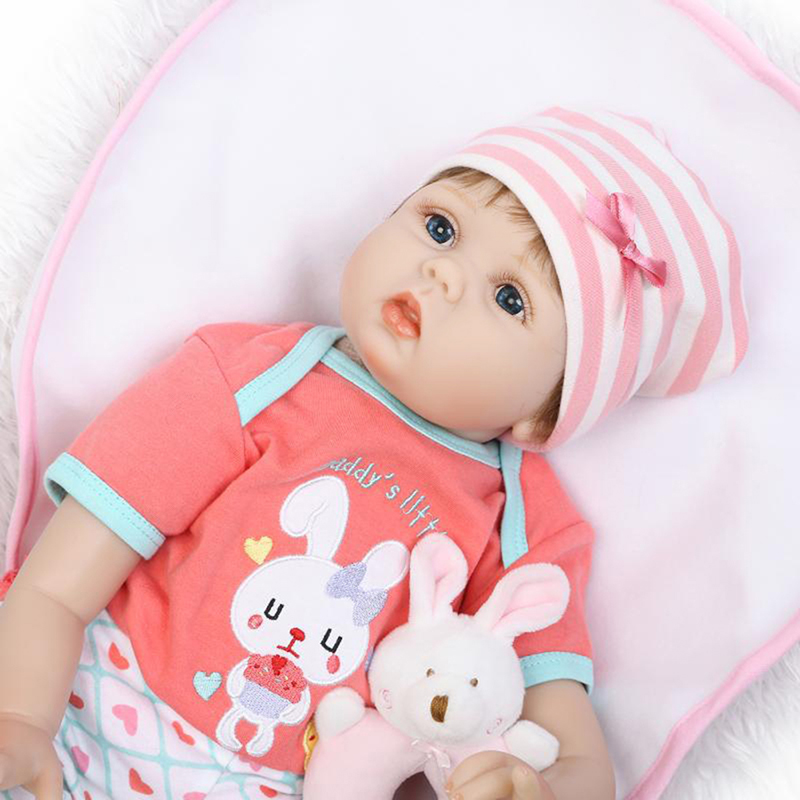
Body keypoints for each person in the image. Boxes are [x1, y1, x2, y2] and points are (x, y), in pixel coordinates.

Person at [0, 107, 747, 800]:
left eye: (510, 298)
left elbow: (574, 751)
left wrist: (540, 788)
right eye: (440, 228)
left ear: (544, 412)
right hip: (82, 709)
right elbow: (57, 585)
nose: (443, 272)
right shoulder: (249, 378)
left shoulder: (520, 519)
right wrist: (23, 720)